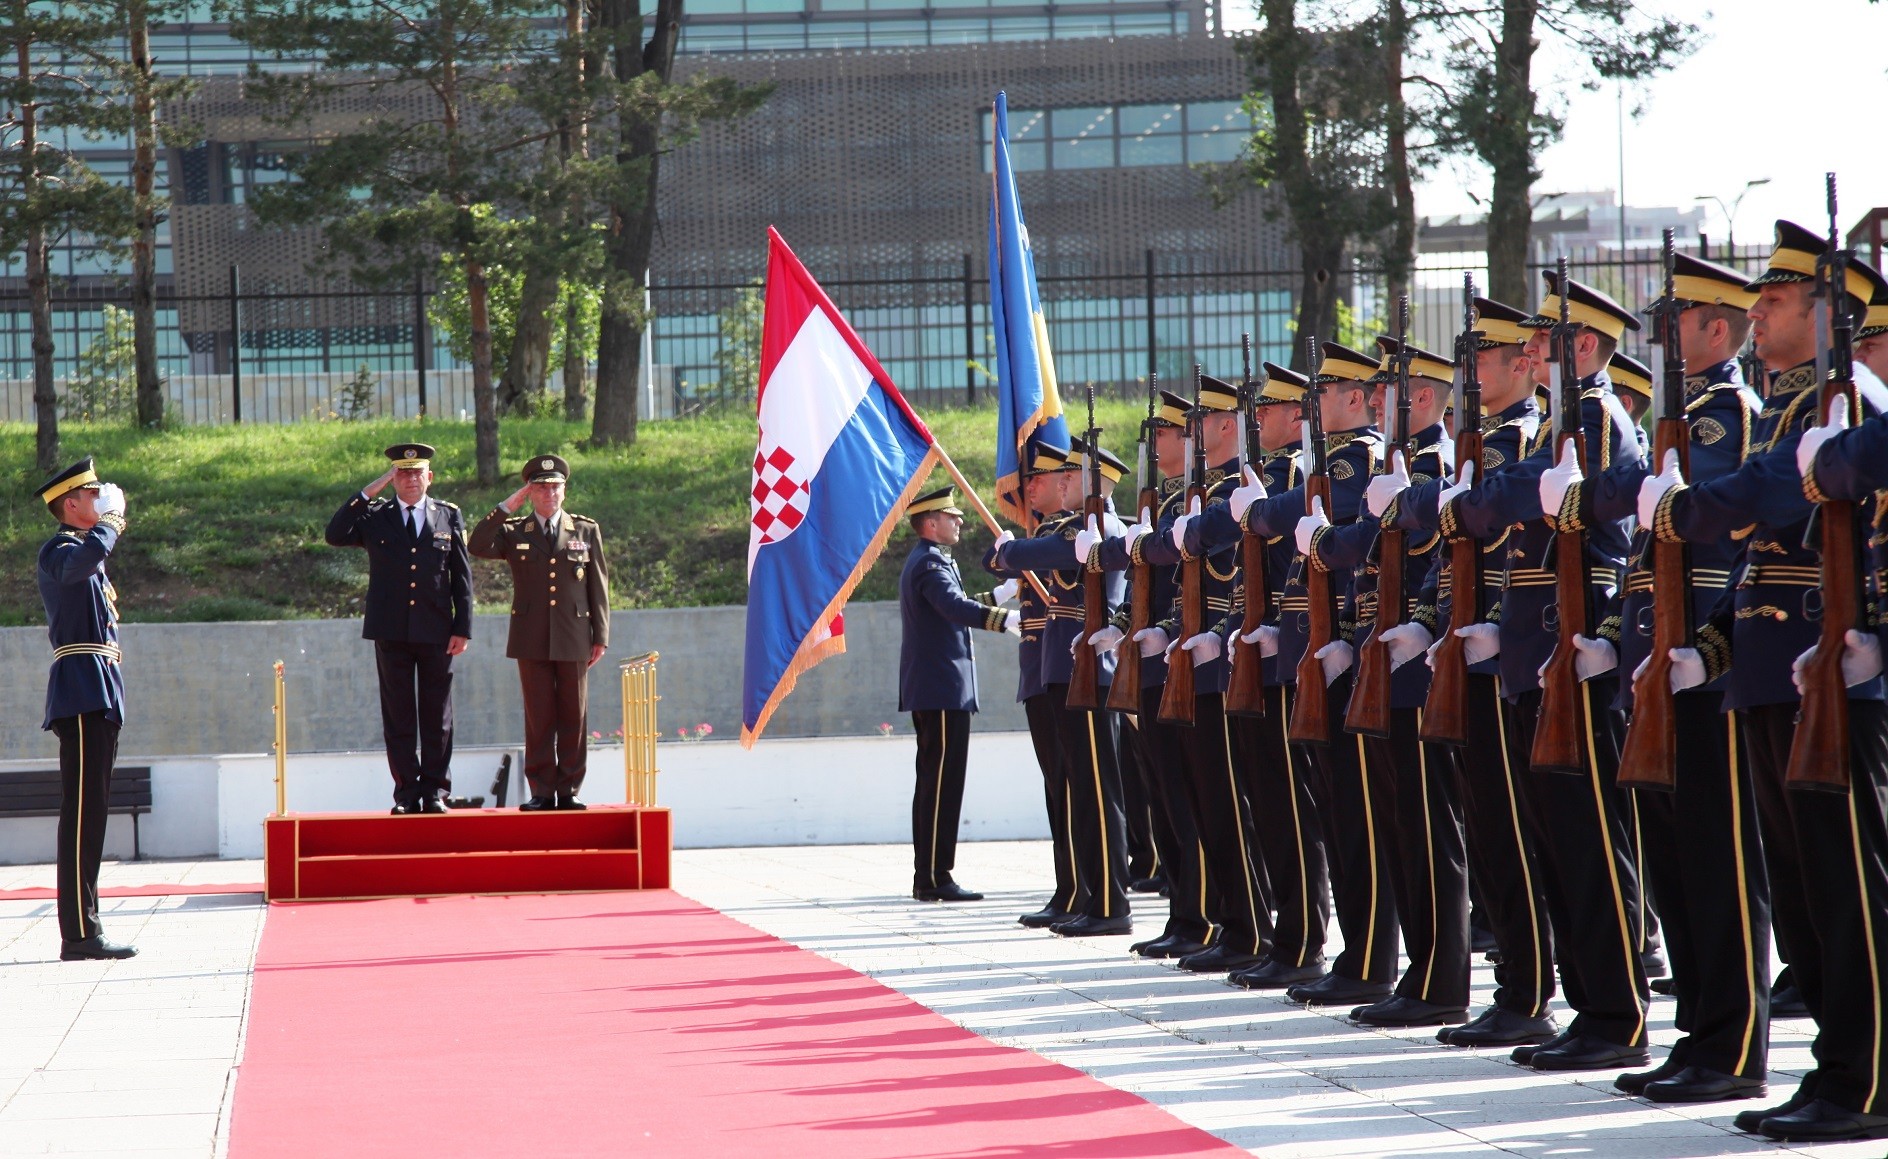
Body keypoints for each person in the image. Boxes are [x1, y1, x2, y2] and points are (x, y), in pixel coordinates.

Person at [1543, 251, 1773, 1103]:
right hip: (1655, 658)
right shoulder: (1691, 421)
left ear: (1719, 327)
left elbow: (1724, 525)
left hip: (1705, 664)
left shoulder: (1732, 415)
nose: (1666, 333)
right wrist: (1615, 634)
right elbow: (1645, 551)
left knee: (1718, 860)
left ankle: (1735, 1044)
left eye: (1679, 320)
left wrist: (1704, 646)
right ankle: (1699, 1037)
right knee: (1675, 861)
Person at [325, 442, 474, 815]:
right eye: (402, 473)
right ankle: (407, 793)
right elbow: (335, 532)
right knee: (399, 714)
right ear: (394, 477)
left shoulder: (448, 515)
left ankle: (435, 791)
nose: (411, 480)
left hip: (437, 629)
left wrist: (463, 627)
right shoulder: (376, 516)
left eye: (416, 473)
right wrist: (370, 490)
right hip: (391, 630)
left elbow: (462, 576)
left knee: (437, 715)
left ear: (430, 477)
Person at [35, 458, 136, 961]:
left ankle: (85, 925)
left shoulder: (82, 549)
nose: (103, 501)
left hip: (97, 688)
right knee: (79, 813)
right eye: (93, 495)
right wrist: (112, 524)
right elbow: (79, 567)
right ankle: (78, 933)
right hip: (79, 689)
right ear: (70, 504)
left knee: (91, 810)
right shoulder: (61, 548)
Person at [468, 454, 610, 811]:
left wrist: (600, 636)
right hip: (531, 636)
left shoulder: (585, 530)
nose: (550, 494)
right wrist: (505, 506)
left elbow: (598, 586)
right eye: (542, 488)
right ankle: (542, 790)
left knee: (574, 715)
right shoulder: (515, 530)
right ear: (530, 492)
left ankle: (570, 790)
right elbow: (477, 544)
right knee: (539, 716)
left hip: (575, 634)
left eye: (555, 487)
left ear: (565, 490)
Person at [897, 485, 1017, 902]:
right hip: (940, 689)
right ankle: (933, 877)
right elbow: (953, 607)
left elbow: (958, 603)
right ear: (931, 523)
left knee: (940, 782)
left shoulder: (932, 562)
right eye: (952, 516)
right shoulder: (930, 564)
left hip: (941, 690)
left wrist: (1000, 596)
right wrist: (1005, 620)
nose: (960, 521)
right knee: (940, 784)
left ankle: (932, 874)